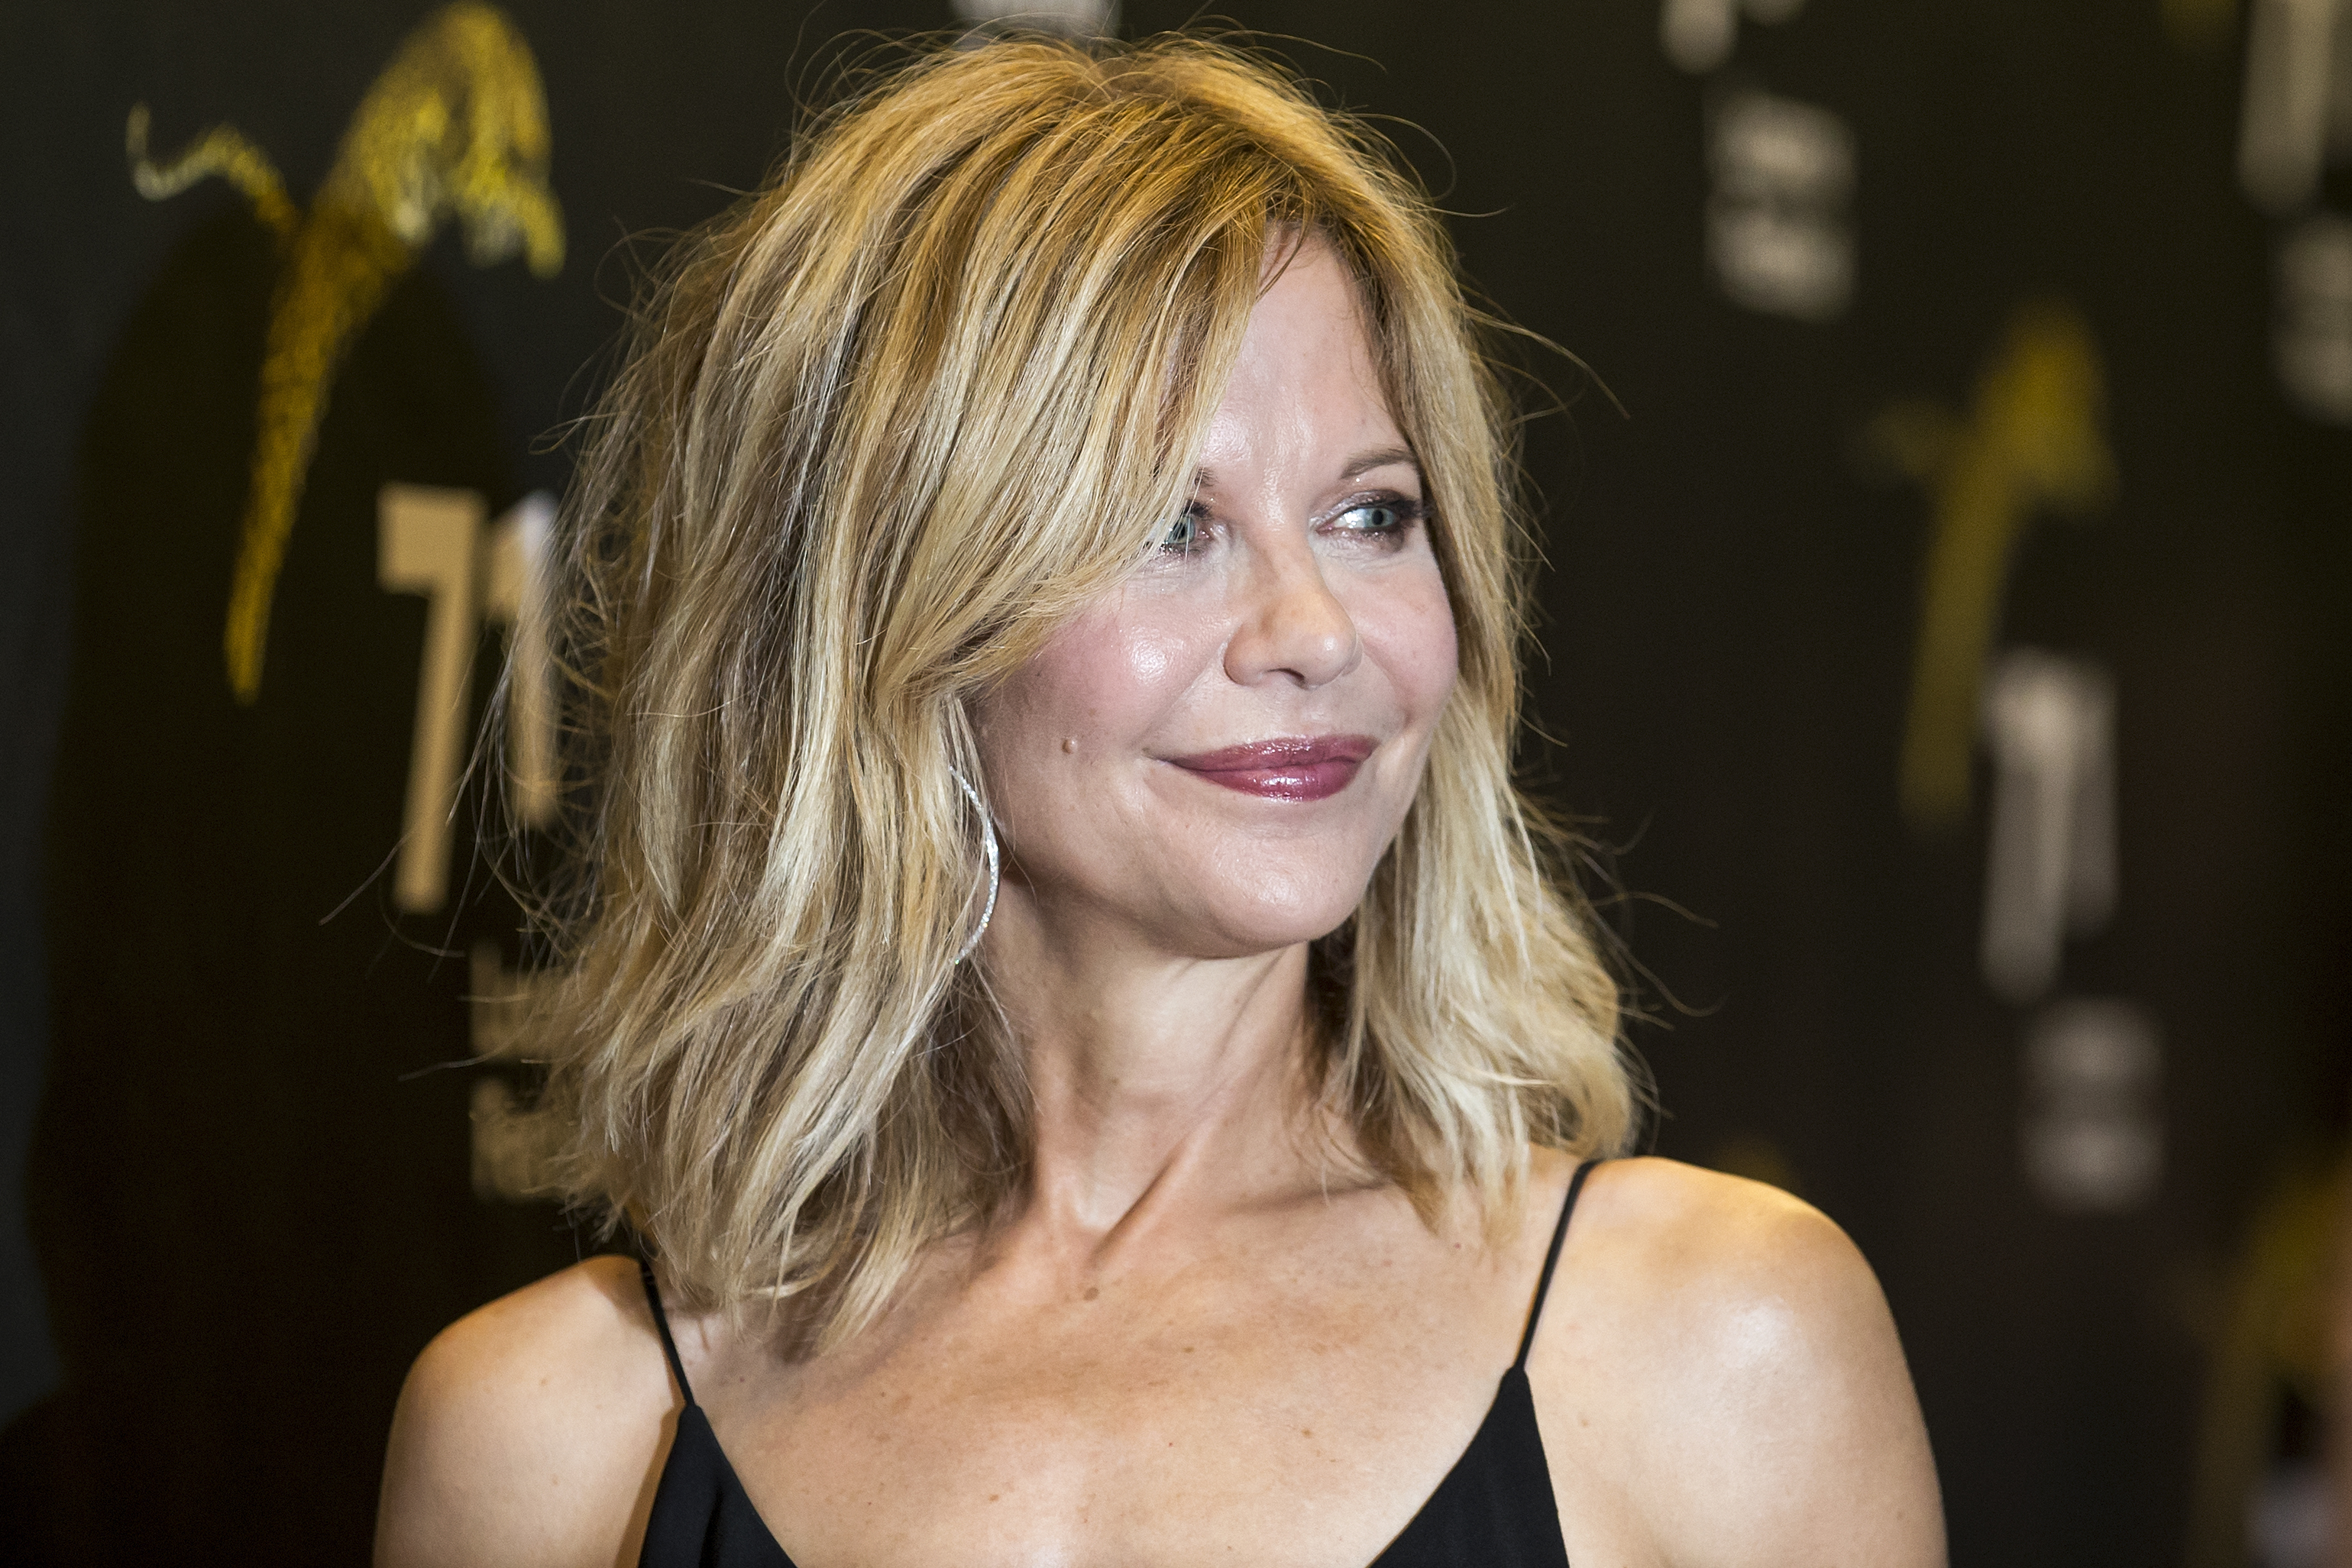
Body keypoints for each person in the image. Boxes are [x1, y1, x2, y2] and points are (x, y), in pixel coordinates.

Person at [374, 34, 1944, 1568]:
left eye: (1372, 512)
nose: (1316, 629)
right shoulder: (549, 1438)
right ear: (885, 608)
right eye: (1166, 525)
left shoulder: (1707, 1352)